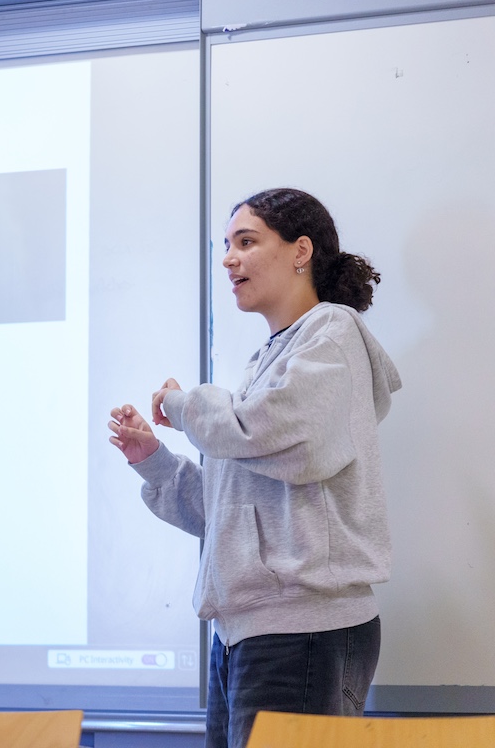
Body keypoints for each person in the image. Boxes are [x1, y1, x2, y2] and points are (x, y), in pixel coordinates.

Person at [107, 188, 402, 748]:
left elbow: (266, 432)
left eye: (246, 242)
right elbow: (227, 514)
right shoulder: (263, 365)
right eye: (226, 246)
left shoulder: (331, 332)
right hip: (247, 633)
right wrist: (155, 462)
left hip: (304, 630)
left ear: (300, 251)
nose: (228, 259)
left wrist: (182, 404)